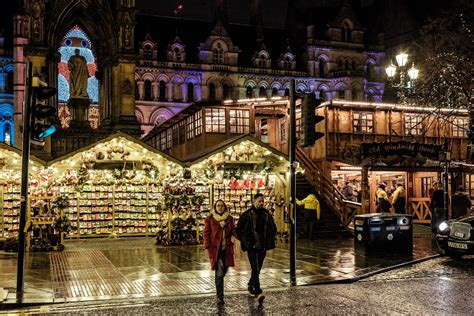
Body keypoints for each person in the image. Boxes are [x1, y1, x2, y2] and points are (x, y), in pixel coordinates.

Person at [236, 193, 277, 303]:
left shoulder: (266, 214)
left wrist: (269, 239)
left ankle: (250, 284)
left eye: (263, 201)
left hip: (262, 246)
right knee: (255, 268)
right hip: (252, 247)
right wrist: (246, 242)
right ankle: (258, 291)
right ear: (254, 202)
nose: (262, 203)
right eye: (259, 201)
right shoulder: (247, 214)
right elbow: (238, 230)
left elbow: (273, 228)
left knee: (258, 269)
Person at [203, 199, 236, 305]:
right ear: (215, 207)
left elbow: (233, 230)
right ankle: (220, 297)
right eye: (218, 205)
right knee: (220, 272)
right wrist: (208, 246)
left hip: (226, 250)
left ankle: (219, 291)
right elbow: (206, 233)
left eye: (222, 205)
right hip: (215, 250)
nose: (220, 207)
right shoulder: (210, 219)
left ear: (225, 207)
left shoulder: (229, 218)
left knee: (224, 271)